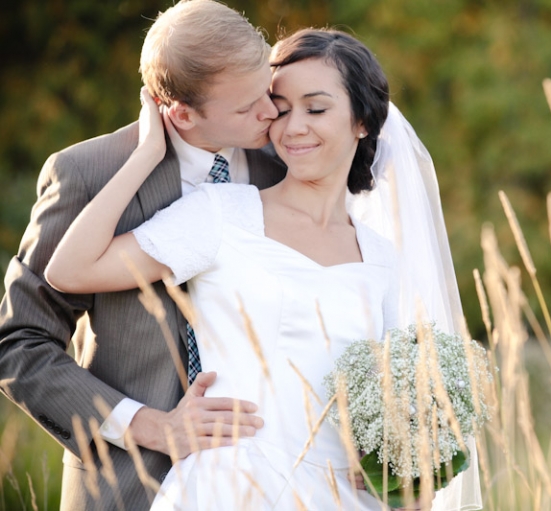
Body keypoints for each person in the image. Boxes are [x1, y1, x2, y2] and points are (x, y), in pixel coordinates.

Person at [46, 28, 481, 510]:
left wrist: (403, 474)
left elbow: (400, 411)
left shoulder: (380, 256)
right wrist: (148, 151)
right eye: (281, 106)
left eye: (316, 109)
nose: (292, 127)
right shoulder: (222, 213)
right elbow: (70, 270)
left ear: (362, 121)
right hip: (231, 486)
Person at [0, 1, 286, 509]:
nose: (271, 111)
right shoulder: (86, 172)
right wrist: (149, 426)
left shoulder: (284, 168)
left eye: (267, 89)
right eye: (245, 107)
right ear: (180, 112)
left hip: (267, 480)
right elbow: (19, 344)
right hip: (128, 488)